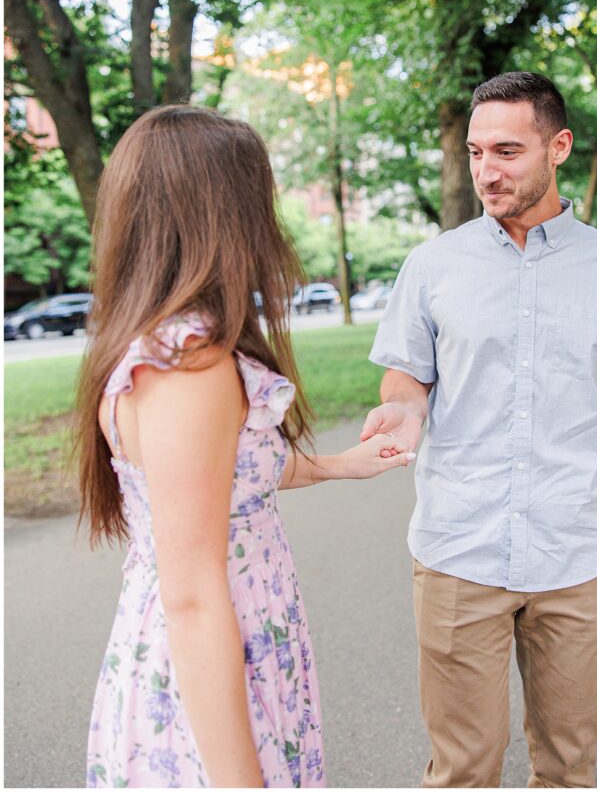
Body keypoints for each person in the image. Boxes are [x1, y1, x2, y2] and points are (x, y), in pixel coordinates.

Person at [76, 104, 414, 789]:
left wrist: (335, 467)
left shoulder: (174, 346)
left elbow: (212, 482)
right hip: (210, 675)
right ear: (220, 212)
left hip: (236, 648)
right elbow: (193, 599)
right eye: (260, 196)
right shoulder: (188, 368)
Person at [363, 71, 597, 788]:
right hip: (456, 550)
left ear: (557, 146)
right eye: (475, 153)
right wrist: (404, 409)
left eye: (505, 151)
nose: (485, 171)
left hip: (577, 555)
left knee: (567, 766)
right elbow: (407, 378)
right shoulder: (433, 266)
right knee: (462, 770)